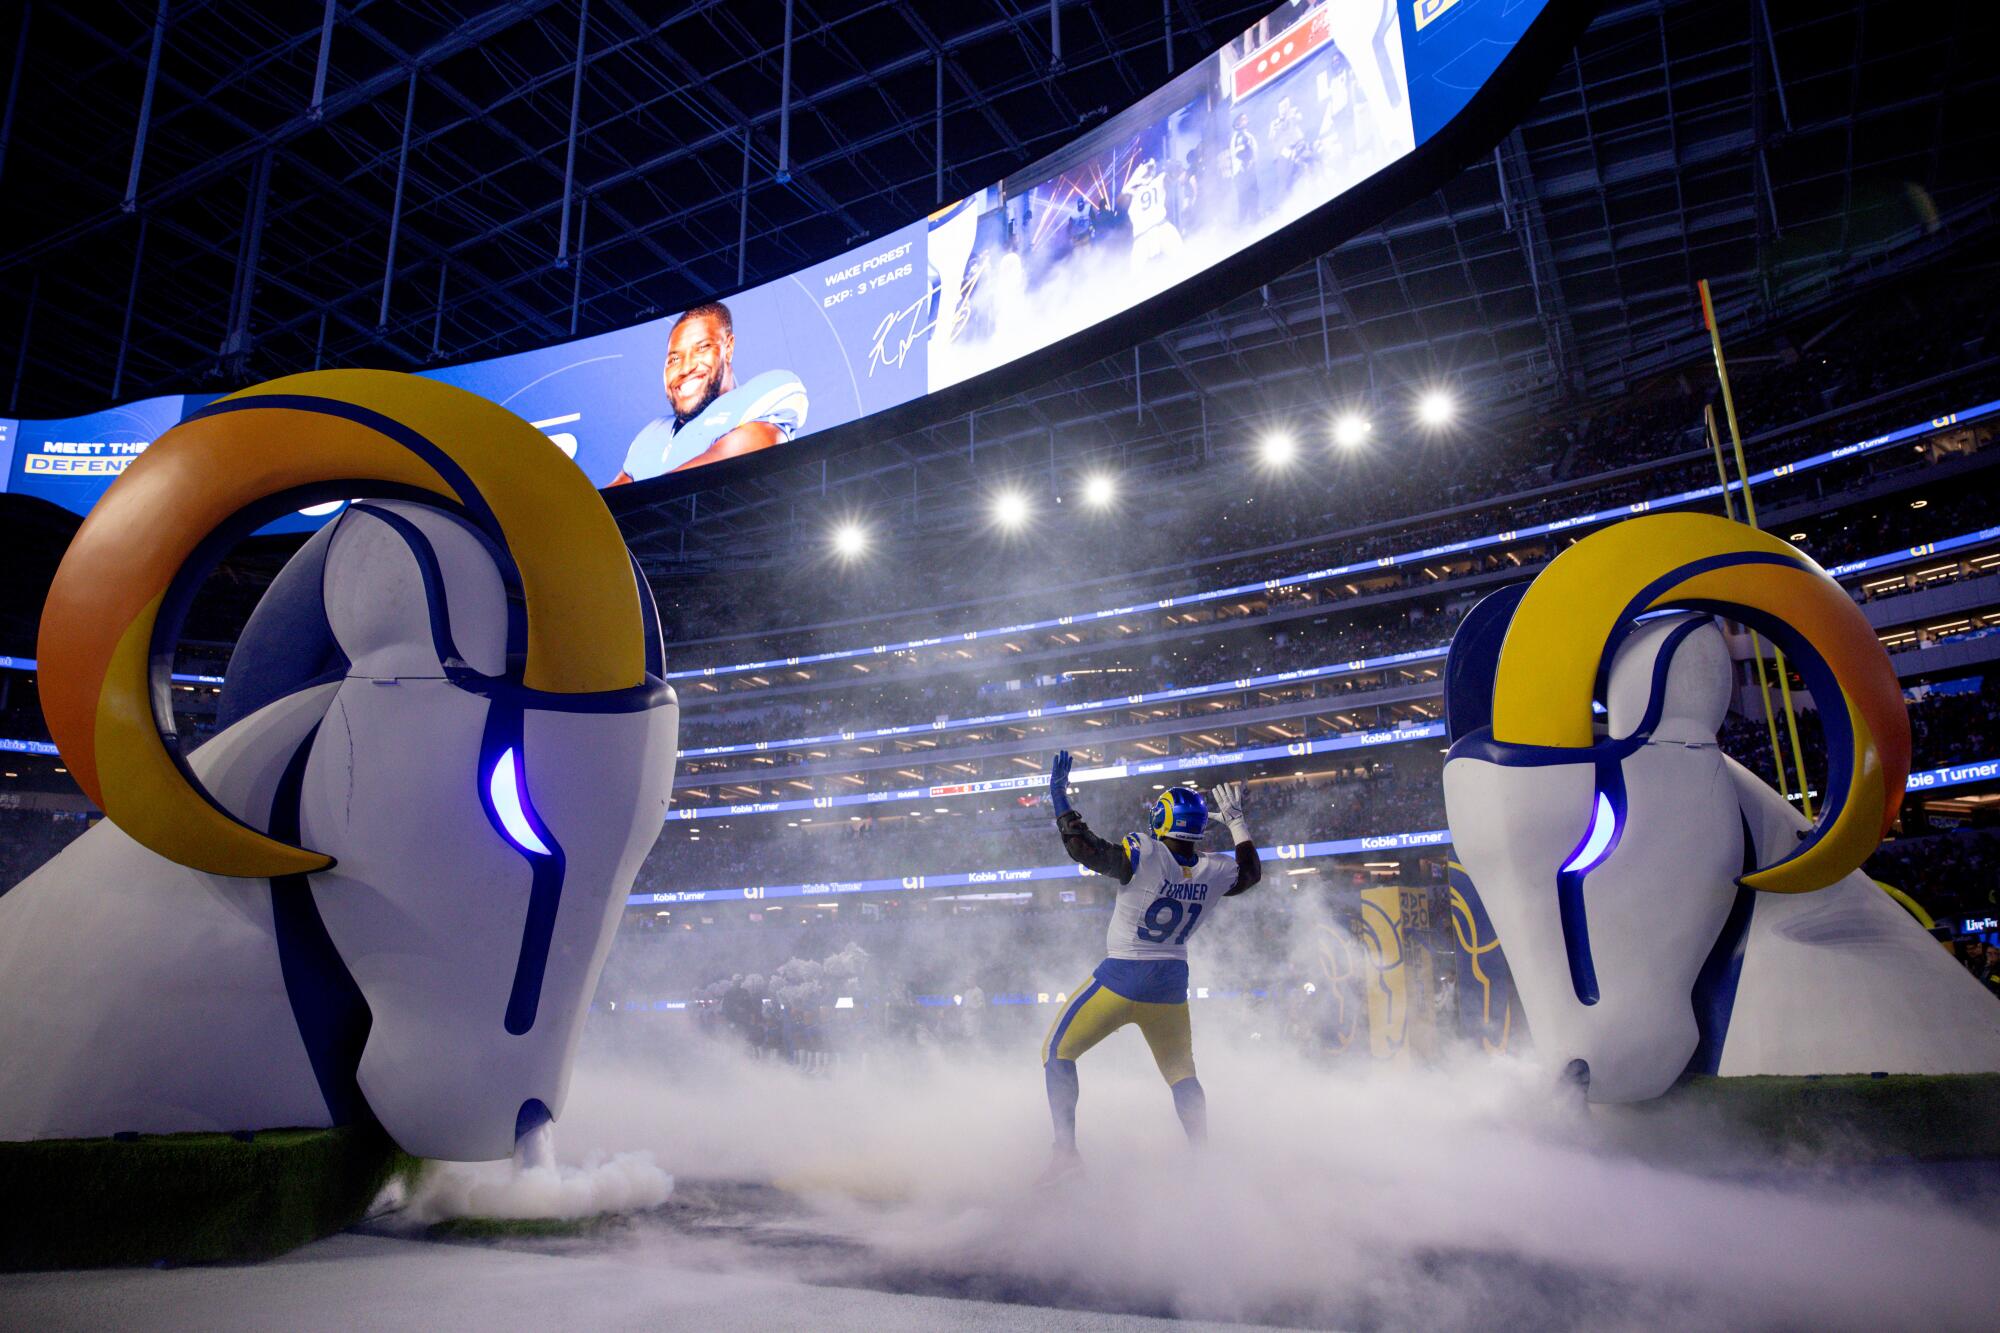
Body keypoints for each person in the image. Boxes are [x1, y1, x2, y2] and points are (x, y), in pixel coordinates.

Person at [1038, 750, 1261, 1182]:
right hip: (1171, 985)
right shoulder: (1215, 869)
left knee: (1056, 1052)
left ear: (1161, 819)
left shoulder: (1145, 852)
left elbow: (1085, 850)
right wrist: (1236, 822)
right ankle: (1204, 1161)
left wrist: (1060, 800)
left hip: (1124, 974)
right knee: (1182, 1075)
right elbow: (1250, 873)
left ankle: (1065, 1155)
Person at [611, 300, 807, 483]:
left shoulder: (766, 390)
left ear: (728, 348)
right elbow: (607, 504)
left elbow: (723, 462)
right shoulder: (650, 433)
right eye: (674, 359)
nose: (686, 368)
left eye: (702, 348)